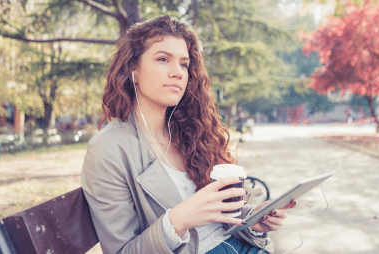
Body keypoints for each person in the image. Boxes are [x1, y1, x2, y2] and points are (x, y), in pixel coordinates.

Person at [81, 15, 296, 254]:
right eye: (163, 59)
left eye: (184, 64)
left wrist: (253, 219)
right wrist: (178, 220)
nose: (178, 73)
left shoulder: (189, 132)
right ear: (134, 69)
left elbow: (217, 217)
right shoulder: (108, 148)